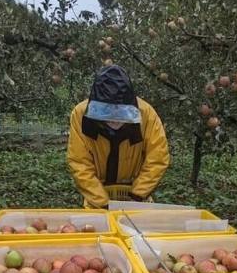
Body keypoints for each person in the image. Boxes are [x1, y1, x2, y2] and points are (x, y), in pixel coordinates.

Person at [67, 65, 170, 208]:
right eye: (107, 113)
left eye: (120, 114)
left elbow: (157, 158)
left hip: (134, 191)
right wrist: (102, 203)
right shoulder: (81, 115)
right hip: (97, 192)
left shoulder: (146, 114)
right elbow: (80, 163)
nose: (115, 120)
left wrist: (137, 195)